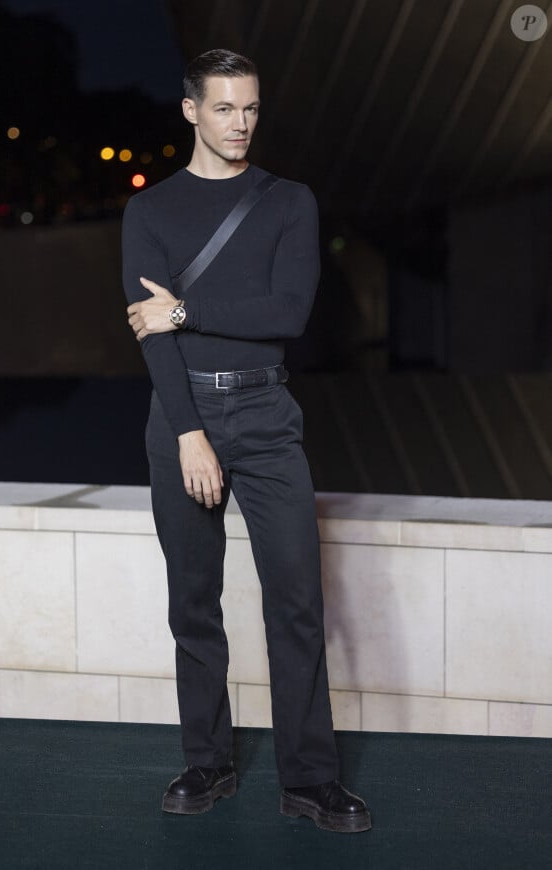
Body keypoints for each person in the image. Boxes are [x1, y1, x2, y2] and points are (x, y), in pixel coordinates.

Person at [122, 48, 371, 834]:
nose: (241, 124)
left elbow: (287, 312)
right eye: (225, 108)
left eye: (252, 108)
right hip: (182, 417)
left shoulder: (289, 201)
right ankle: (208, 762)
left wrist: (188, 310)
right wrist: (190, 433)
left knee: (297, 602)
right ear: (191, 110)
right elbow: (150, 339)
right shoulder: (150, 212)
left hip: (267, 419)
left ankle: (310, 780)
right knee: (194, 604)